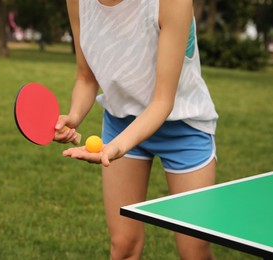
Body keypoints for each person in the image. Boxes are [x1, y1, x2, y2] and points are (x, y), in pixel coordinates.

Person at [56, 0, 218, 259]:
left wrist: (117, 145)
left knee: (194, 251)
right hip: (120, 119)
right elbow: (85, 78)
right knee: (123, 246)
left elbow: (163, 102)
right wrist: (74, 116)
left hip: (184, 126)